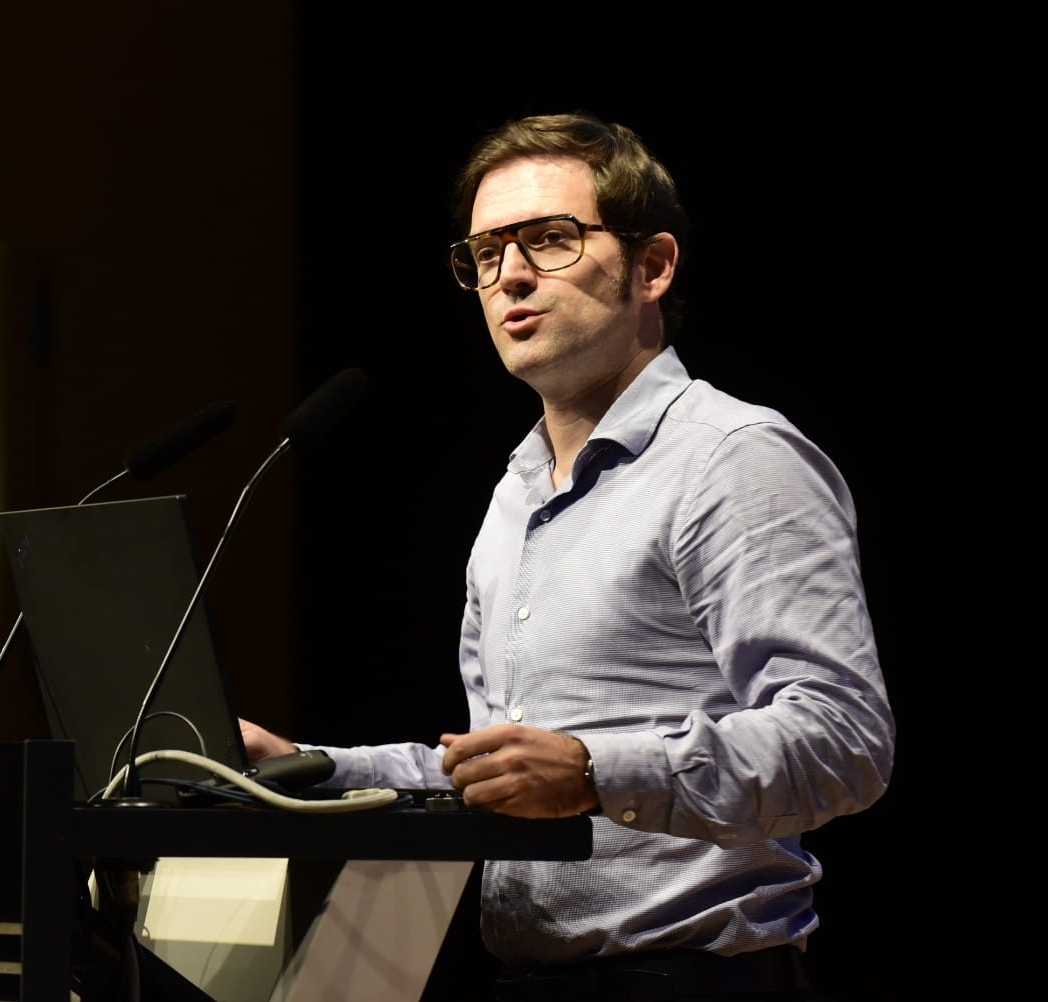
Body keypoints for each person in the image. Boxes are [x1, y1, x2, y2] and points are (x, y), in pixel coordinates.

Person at [239, 111, 895, 1001]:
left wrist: (594, 773)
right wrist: (308, 771)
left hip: (694, 979)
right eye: (483, 253)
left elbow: (842, 742)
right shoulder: (515, 493)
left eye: (549, 240)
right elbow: (497, 769)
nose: (508, 276)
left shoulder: (731, 459)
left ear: (652, 266)